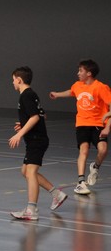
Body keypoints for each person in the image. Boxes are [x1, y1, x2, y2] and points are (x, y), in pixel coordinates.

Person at [8, 67, 68, 220]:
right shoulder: (31, 94)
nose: (12, 82)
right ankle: (57, 194)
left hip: (37, 140)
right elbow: (42, 115)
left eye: (13, 79)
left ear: (19, 80)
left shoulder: (26, 95)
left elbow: (35, 117)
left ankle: (31, 209)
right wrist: (23, 124)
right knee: (25, 171)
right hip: (35, 139)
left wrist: (19, 134)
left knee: (31, 172)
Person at [49, 59, 111, 195]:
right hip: (82, 123)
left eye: (80, 71)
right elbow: (71, 92)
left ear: (89, 73)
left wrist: (107, 128)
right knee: (84, 150)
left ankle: (95, 167)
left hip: (98, 124)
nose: (78, 73)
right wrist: (57, 94)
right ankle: (81, 182)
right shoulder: (77, 85)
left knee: (103, 150)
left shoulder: (101, 87)